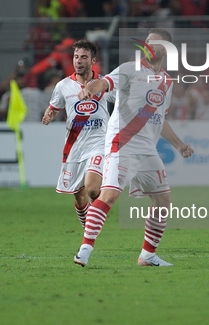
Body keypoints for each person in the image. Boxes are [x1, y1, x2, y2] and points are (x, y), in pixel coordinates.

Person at [73, 28, 194, 267]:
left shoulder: (167, 82)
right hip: (123, 144)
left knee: (163, 201)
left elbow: (160, 119)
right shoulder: (131, 69)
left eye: (154, 43)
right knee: (109, 196)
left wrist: (179, 145)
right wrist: (90, 89)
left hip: (148, 150)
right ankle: (84, 250)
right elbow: (104, 83)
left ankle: (147, 255)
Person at [42, 40, 114, 228]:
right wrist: (49, 114)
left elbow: (124, 100)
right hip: (74, 146)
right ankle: (88, 227)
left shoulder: (104, 84)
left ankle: (94, 223)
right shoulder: (63, 86)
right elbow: (54, 107)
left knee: (91, 189)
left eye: (84, 57)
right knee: (79, 195)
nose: (79, 61)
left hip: (98, 144)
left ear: (93, 60)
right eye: (76, 57)